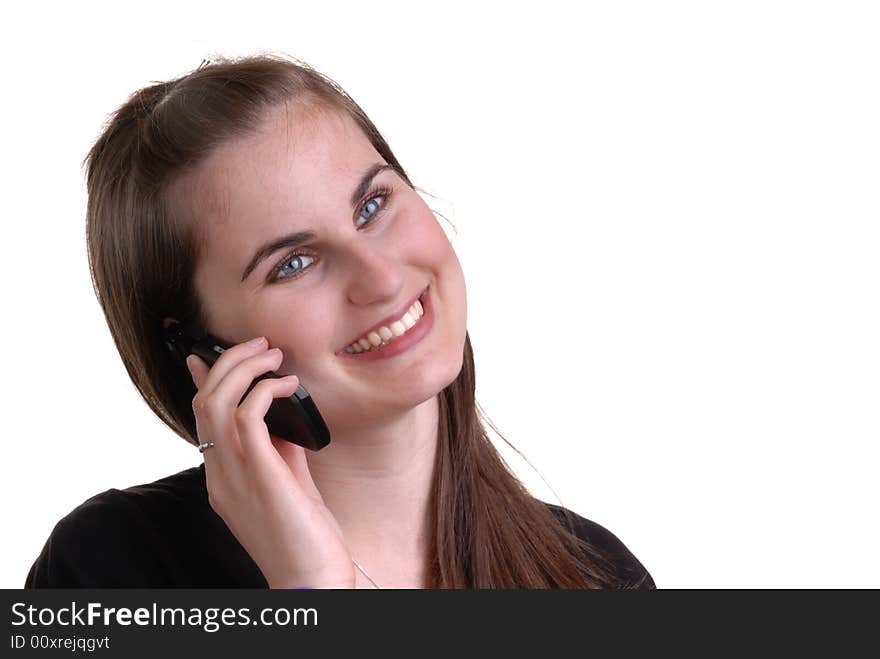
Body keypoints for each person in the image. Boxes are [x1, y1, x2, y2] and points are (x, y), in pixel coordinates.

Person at [25, 54, 654, 589]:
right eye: (294, 262)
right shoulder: (105, 571)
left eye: (372, 205)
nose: (380, 277)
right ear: (199, 348)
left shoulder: (596, 577)